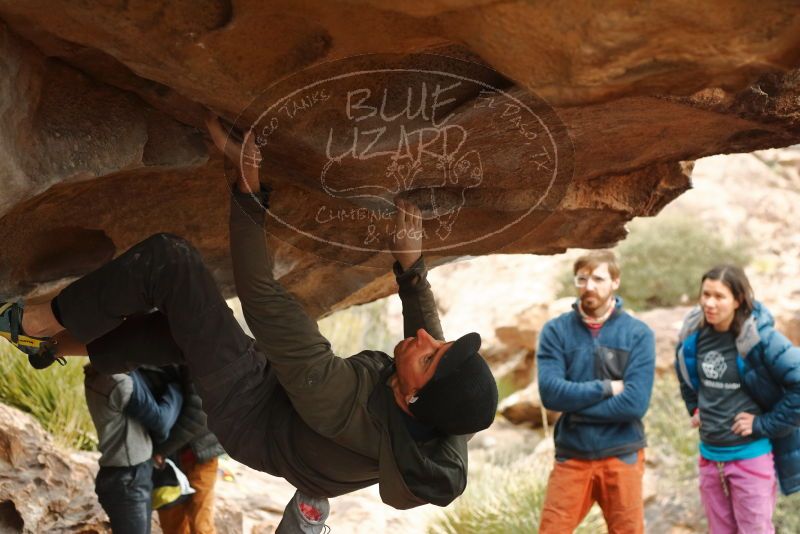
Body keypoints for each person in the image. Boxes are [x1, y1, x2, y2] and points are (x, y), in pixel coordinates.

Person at [0, 115, 498, 533]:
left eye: (431, 357)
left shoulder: (342, 402)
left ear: (411, 400)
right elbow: (425, 339)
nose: (429, 339)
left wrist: (247, 186)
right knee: (182, 329)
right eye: (443, 343)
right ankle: (57, 348)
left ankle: (38, 324)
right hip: (292, 426)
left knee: (170, 263)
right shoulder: (446, 421)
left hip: (251, 414)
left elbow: (261, 298)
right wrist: (411, 271)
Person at [537, 250, 656, 534]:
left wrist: (575, 407)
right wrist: (605, 388)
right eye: (582, 279)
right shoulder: (556, 331)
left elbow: (634, 404)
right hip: (572, 456)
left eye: (598, 278)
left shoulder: (638, 334)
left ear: (615, 281)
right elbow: (551, 394)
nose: (589, 286)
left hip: (622, 454)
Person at [675, 265, 800, 533]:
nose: (709, 303)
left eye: (719, 296)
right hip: (709, 459)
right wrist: (694, 407)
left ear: (738, 300)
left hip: (750, 460)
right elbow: (685, 373)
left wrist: (763, 424)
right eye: (705, 294)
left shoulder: (760, 338)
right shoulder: (693, 336)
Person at [84, 365, 183, 534]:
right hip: (128, 479)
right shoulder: (118, 382)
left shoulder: (97, 373)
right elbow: (161, 421)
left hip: (124, 475)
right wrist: (178, 387)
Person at [140, 365, 225, 534]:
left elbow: (198, 414)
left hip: (199, 454)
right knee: (172, 526)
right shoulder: (140, 361)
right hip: (166, 461)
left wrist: (161, 450)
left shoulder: (193, 357)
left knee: (201, 525)